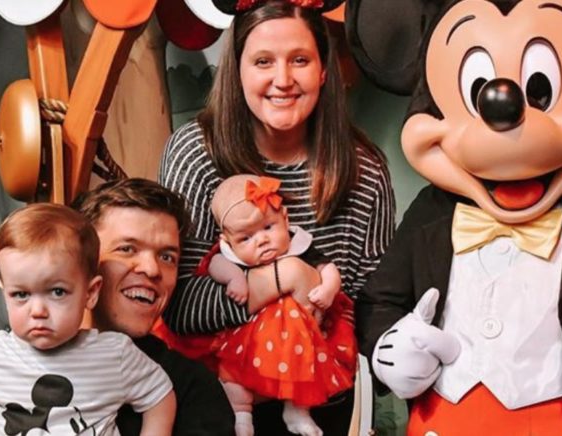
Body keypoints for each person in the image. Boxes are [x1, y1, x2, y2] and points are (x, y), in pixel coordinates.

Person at [158, 1, 395, 433]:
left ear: (324, 70)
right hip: (219, 396)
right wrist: (284, 277)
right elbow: (179, 305)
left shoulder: (364, 171)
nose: (282, 80)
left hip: (321, 391)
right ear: (238, 70)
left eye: (300, 60)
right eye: (263, 61)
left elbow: (376, 302)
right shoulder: (195, 153)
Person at [0, 203, 176, 436]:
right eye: (21, 294)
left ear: (90, 293)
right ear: (4, 294)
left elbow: (160, 395)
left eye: (57, 292)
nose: (37, 310)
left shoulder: (115, 354)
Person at [72, 177, 237, 436]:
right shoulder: (12, 360)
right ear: (82, 261)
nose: (152, 269)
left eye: (166, 257)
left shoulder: (191, 388)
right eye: (127, 249)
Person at [207, 174, 356, 436]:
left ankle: (297, 409)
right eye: (246, 238)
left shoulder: (299, 248)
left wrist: (329, 289)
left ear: (285, 219)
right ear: (227, 242)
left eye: (268, 227)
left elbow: (328, 268)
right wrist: (233, 278)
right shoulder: (230, 258)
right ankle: (242, 418)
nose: (261, 240)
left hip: (296, 339)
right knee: (231, 374)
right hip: (250, 340)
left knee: (303, 367)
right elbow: (212, 264)